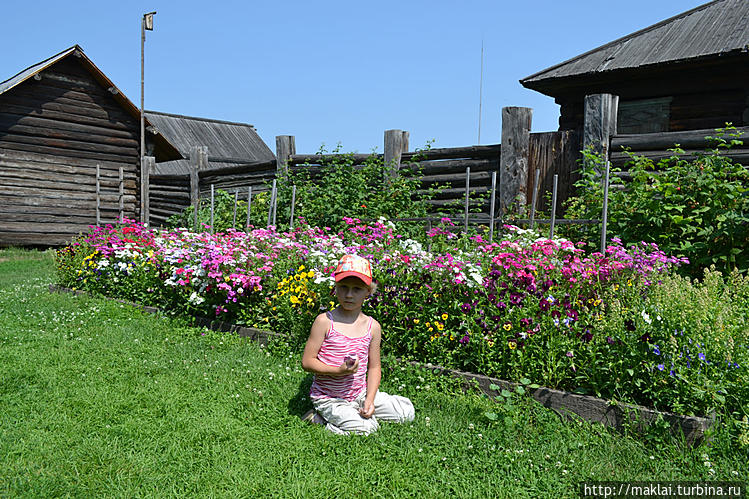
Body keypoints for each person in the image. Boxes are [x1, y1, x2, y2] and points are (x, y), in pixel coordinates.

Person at [301, 254, 415, 435]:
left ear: (368, 291)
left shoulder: (372, 327)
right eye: (343, 287)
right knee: (367, 429)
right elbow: (307, 362)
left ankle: (357, 412)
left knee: (406, 412)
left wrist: (369, 400)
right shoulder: (324, 322)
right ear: (335, 288)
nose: (349, 294)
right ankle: (319, 420)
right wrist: (338, 371)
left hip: (359, 395)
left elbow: (374, 367)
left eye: (357, 289)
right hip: (330, 398)